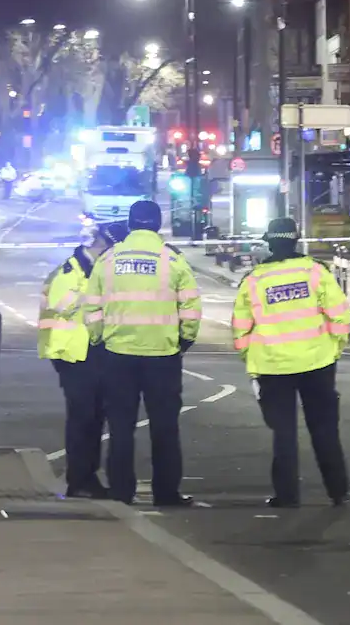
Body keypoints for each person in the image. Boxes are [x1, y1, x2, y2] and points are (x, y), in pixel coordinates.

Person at [82, 201, 201, 507]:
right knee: (165, 428)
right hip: (162, 355)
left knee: (120, 427)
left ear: (131, 224)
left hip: (118, 354)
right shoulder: (172, 260)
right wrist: (183, 341)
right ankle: (166, 493)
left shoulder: (109, 259)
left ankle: (122, 492)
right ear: (158, 225)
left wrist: (100, 339)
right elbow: (190, 308)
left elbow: (91, 306)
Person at [232, 217, 350, 507]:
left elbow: (240, 328)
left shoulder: (255, 279)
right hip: (317, 362)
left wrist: (250, 358)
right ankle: (337, 490)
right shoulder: (315, 272)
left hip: (272, 366)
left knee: (283, 433)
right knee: (325, 429)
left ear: (270, 242)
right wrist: (333, 349)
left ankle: (286, 495)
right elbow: (340, 315)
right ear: (296, 240)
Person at [38, 221, 128, 499]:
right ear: (102, 245)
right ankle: (78, 480)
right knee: (83, 417)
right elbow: (61, 304)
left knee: (95, 418)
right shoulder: (70, 270)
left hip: (91, 351)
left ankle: (87, 476)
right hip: (74, 354)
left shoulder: (94, 269)